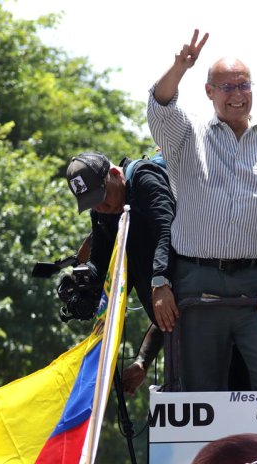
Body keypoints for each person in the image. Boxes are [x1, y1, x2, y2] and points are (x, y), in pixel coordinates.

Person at [147, 30, 257, 392]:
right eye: (226, 87)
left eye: (243, 85)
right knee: (200, 388)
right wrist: (180, 66)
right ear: (209, 91)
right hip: (197, 280)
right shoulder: (186, 135)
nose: (237, 95)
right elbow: (160, 106)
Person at [65, 151, 176, 394]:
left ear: (115, 174)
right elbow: (100, 264)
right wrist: (83, 284)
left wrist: (160, 281)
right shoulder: (103, 213)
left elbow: (166, 230)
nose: (101, 207)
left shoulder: (145, 179)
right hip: (174, 330)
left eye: (103, 197)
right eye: (92, 203)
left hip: (199, 306)